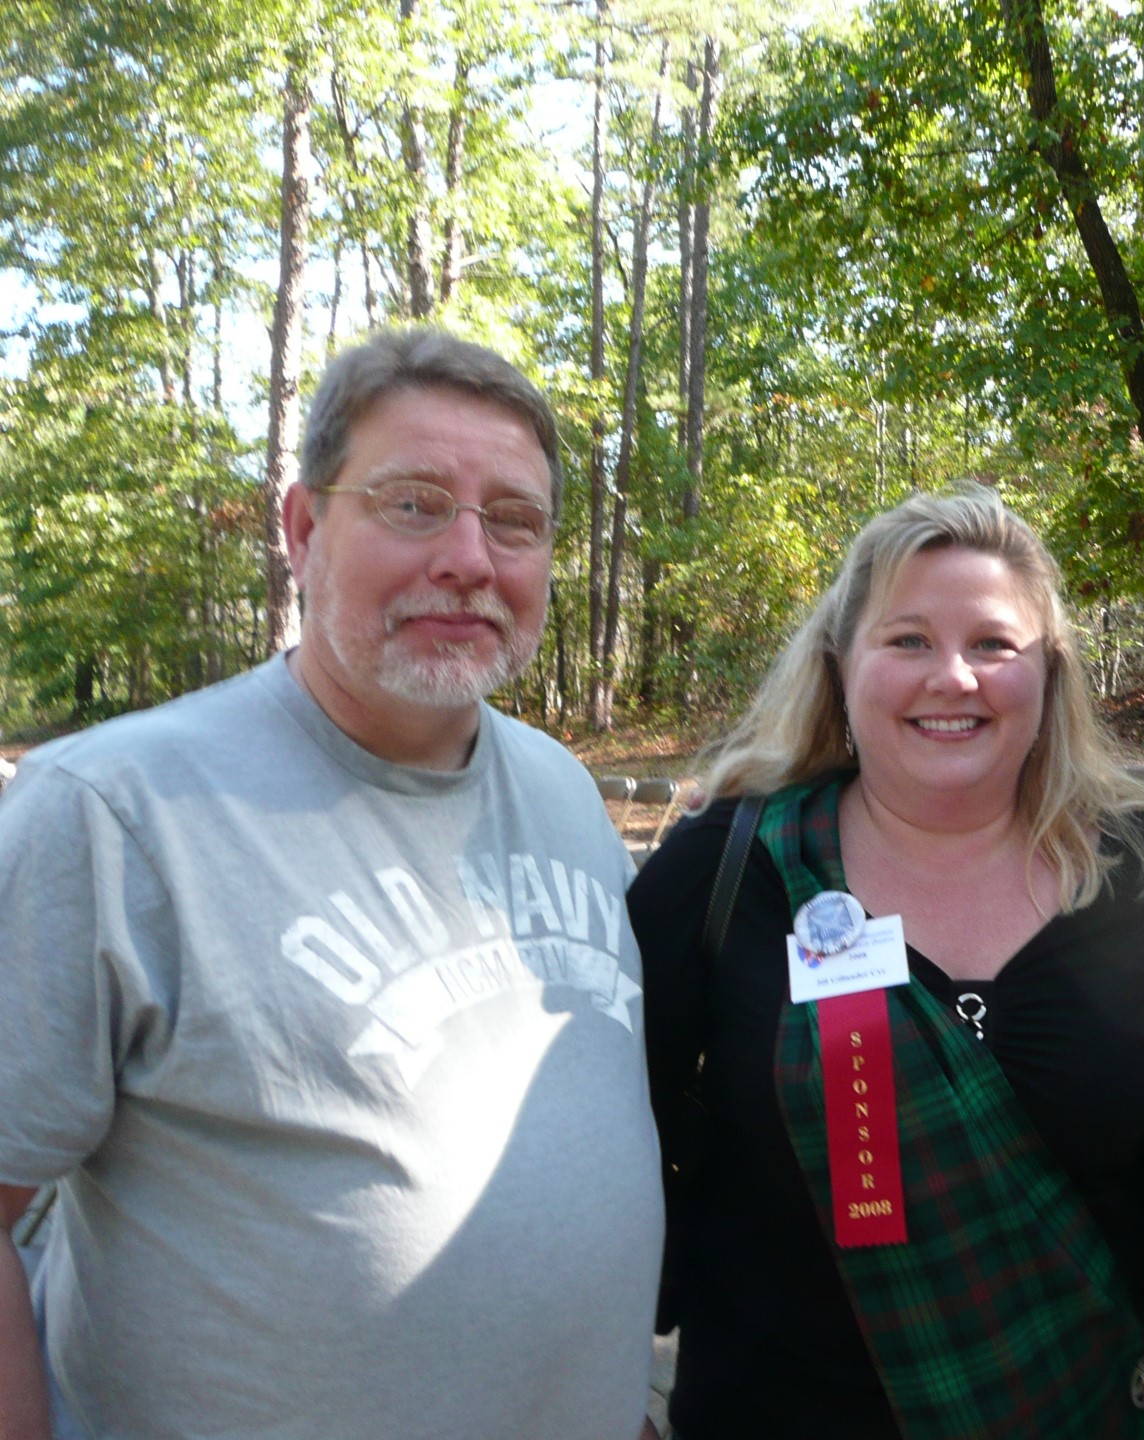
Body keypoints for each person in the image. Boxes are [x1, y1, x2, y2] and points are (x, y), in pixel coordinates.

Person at [0, 328, 663, 1440]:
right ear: (304, 529)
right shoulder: (110, 812)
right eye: (413, 504)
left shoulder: (561, 793)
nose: (469, 555)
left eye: (514, 520)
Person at [627, 483, 1144, 1440]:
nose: (953, 677)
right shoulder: (726, 872)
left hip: (1080, 1412)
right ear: (840, 665)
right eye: (908, 640)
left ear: (1050, 674)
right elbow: (614, 1146)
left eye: (993, 644)